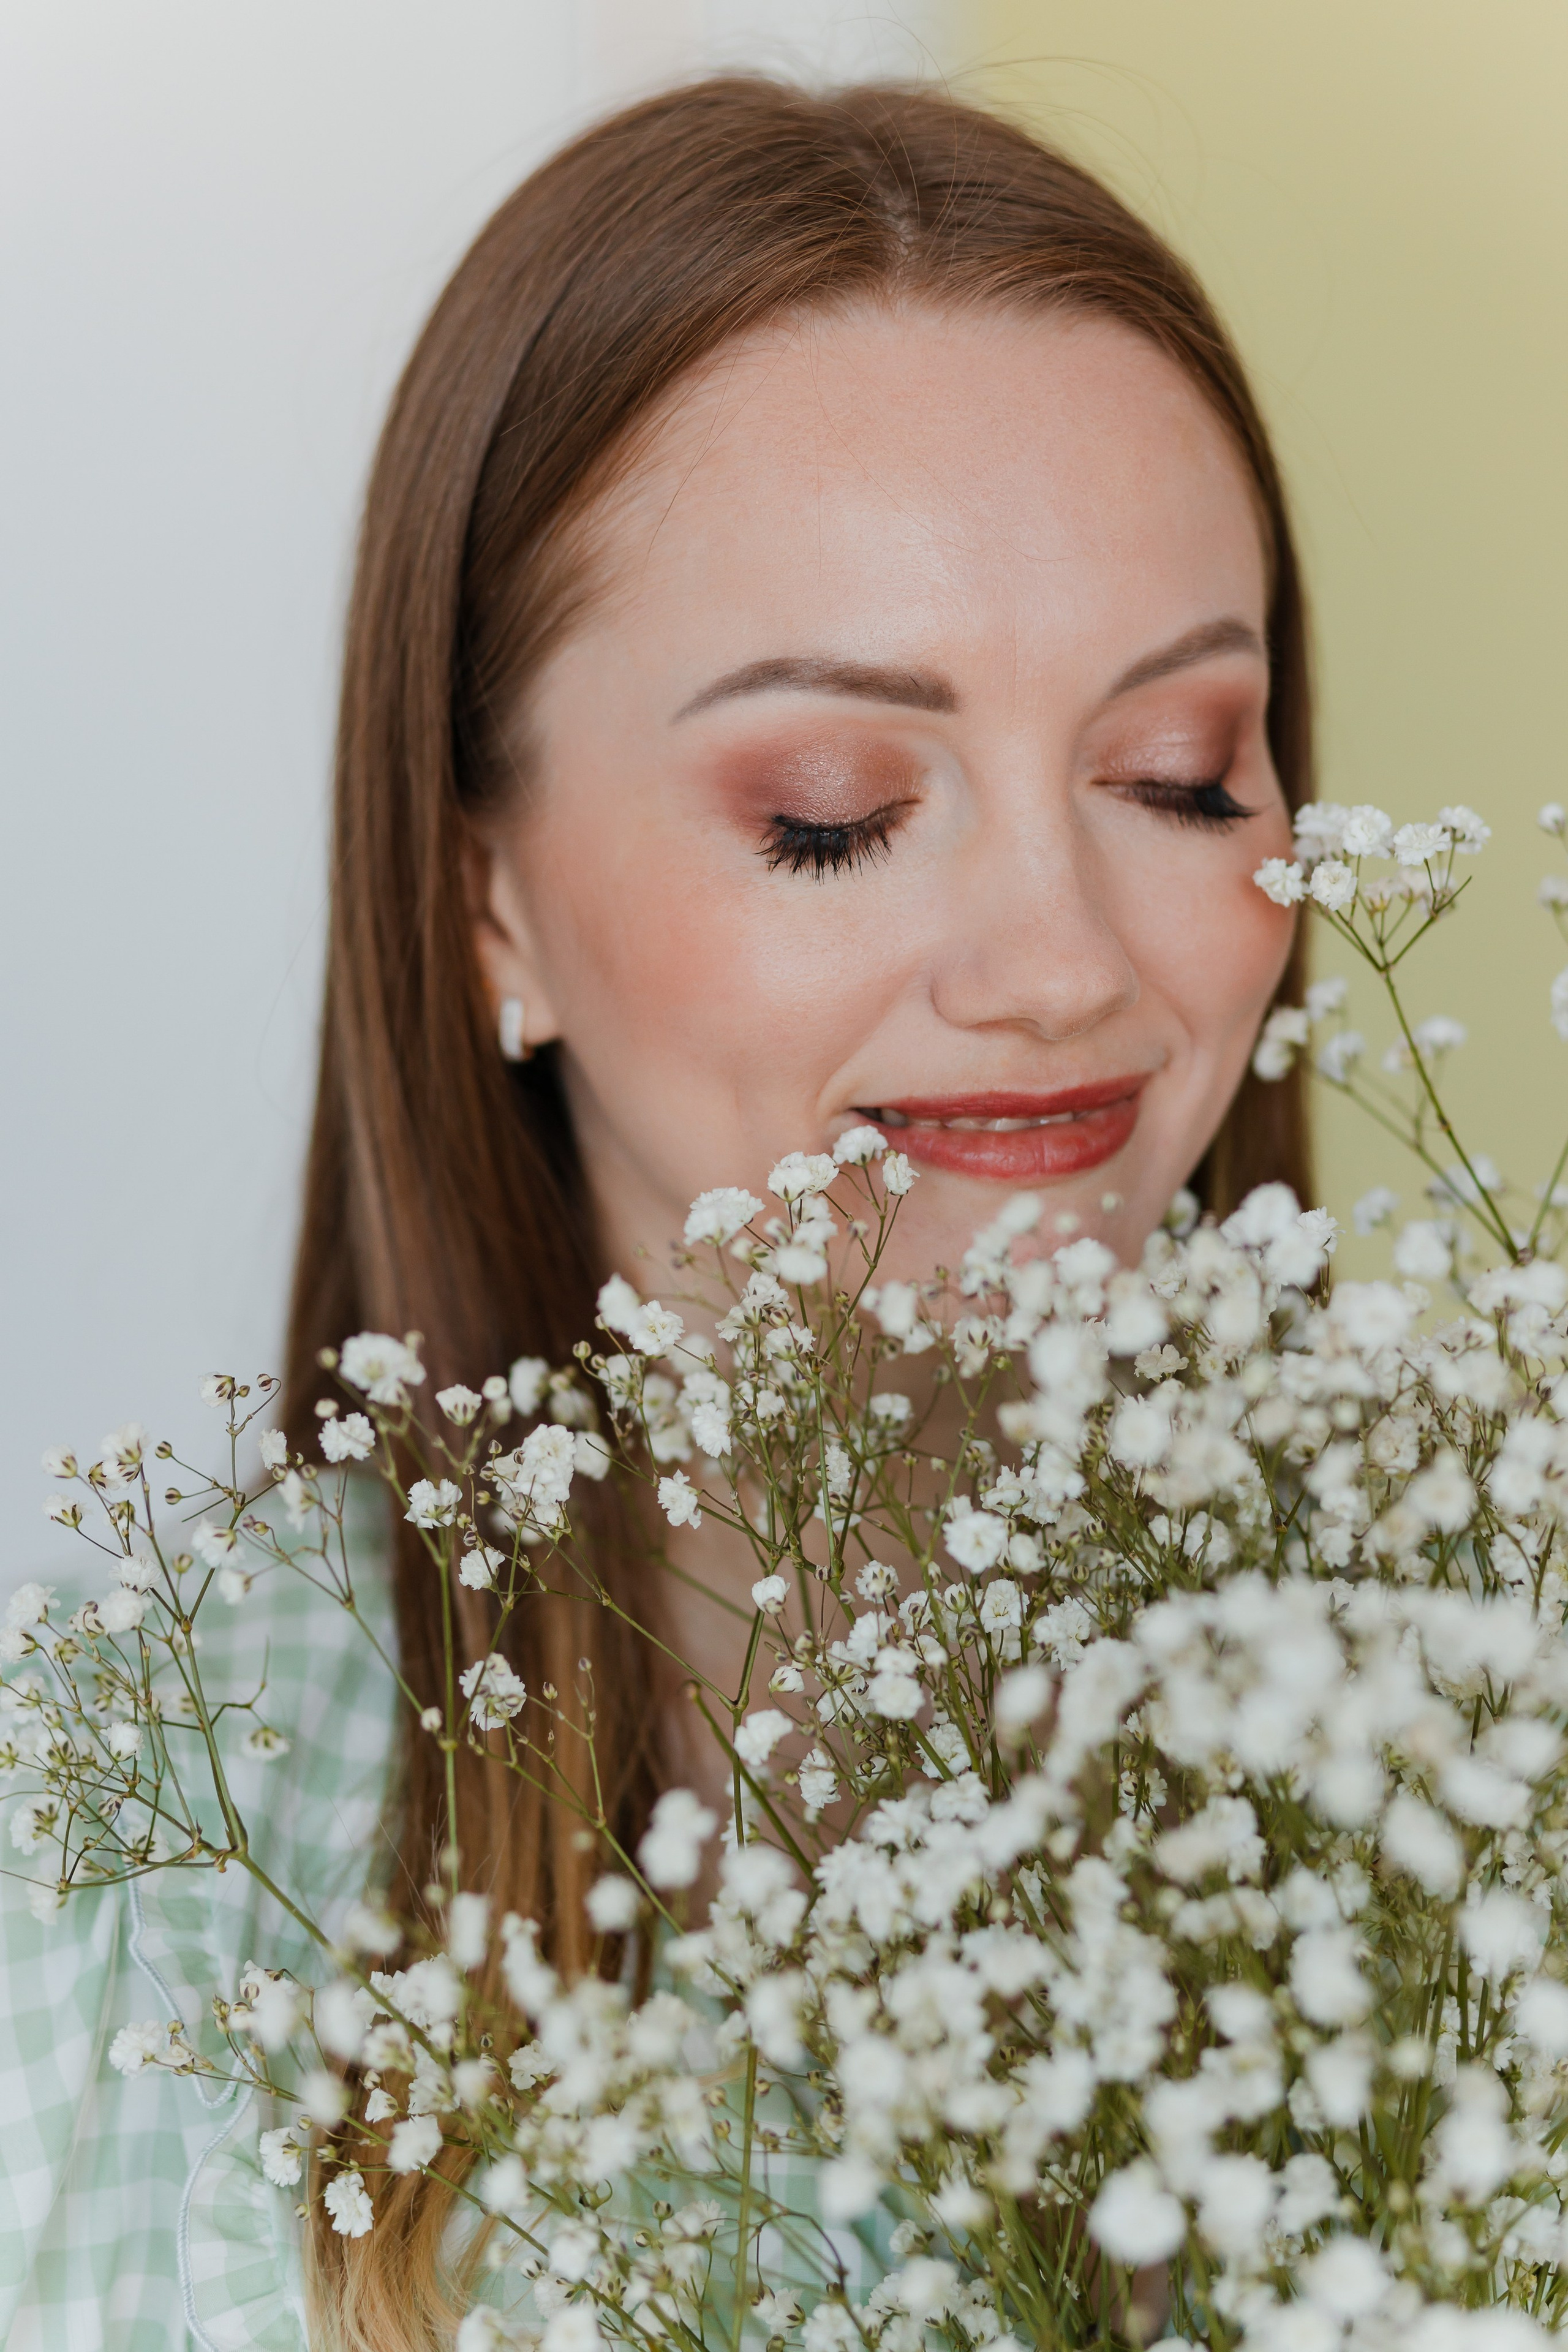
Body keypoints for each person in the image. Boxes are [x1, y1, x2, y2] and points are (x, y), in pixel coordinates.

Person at [0, 74, 1311, 2352]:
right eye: (832, 812)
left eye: (1177, 775)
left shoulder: (1457, 1796)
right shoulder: (93, 1886)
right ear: (480, 892)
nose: (1066, 962)